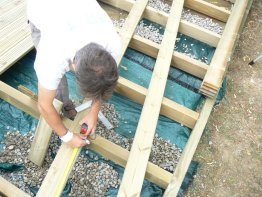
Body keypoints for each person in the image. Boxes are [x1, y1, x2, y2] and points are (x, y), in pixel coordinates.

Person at [27, 0, 121, 148]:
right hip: (41, 7)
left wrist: (94, 113)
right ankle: (63, 104)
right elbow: (44, 105)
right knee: (54, 87)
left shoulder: (112, 44)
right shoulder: (51, 56)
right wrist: (67, 136)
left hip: (78, 11)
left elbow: (103, 84)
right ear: (74, 66)